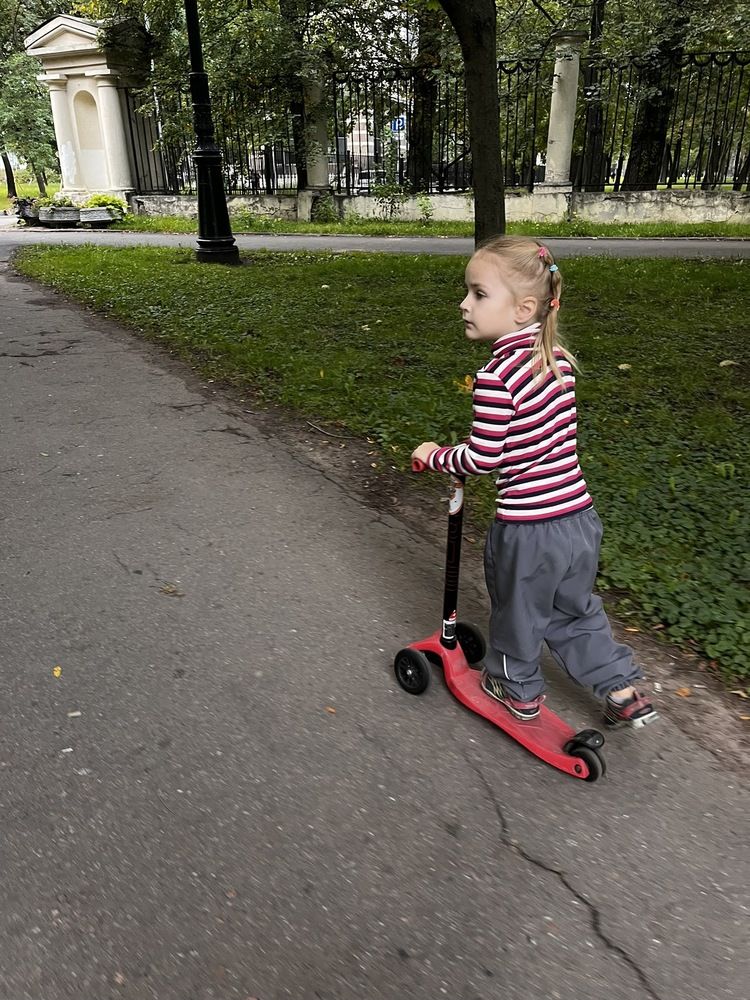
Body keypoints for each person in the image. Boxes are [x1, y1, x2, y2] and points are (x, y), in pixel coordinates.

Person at [411, 237, 658, 728]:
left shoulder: (495, 376)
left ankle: (513, 687)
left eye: (479, 294)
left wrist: (435, 456)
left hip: (530, 529)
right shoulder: (555, 359)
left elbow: (483, 458)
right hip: (578, 519)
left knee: (519, 613)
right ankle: (621, 688)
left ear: (524, 308)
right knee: (575, 610)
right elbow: (538, 432)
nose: (464, 303)